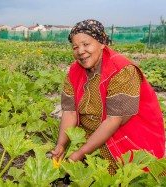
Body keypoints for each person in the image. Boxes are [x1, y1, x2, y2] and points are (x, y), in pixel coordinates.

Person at [51, 19, 165, 175]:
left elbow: (114, 120)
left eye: (86, 44)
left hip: (128, 141)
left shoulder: (122, 70)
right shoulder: (74, 71)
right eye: (75, 47)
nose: (80, 51)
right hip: (94, 143)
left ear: (102, 43)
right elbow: (69, 112)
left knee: (129, 178)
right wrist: (61, 145)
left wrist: (79, 154)